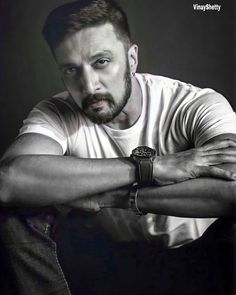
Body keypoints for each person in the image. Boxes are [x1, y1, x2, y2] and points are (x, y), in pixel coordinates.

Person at [0, 0, 236, 294]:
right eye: (71, 69)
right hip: (110, 257)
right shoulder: (57, 112)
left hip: (205, 254)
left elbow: (231, 190)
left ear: (132, 58)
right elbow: (9, 180)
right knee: (14, 213)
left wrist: (118, 196)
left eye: (101, 62)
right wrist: (150, 167)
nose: (89, 85)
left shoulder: (194, 104)